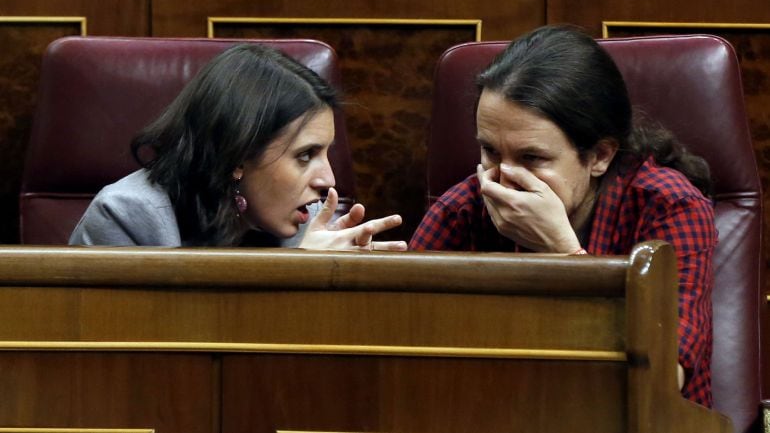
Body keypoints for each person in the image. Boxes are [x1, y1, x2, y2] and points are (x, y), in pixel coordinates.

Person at [409, 25, 715, 407]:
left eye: (532, 158)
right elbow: (398, 349)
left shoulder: (669, 207)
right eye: (490, 151)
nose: (505, 178)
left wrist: (563, 255)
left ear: (600, 156)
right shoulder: (464, 208)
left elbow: (660, 380)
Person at [70, 43, 406, 251]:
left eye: (326, 153)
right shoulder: (126, 217)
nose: (328, 180)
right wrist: (300, 275)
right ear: (237, 156)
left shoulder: (309, 220)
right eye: (305, 155)